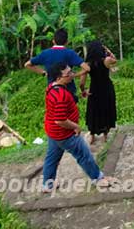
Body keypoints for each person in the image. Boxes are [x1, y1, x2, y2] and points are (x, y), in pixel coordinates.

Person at [42, 64, 115, 192]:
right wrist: (76, 126)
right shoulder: (60, 96)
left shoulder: (51, 88)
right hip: (63, 133)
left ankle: (47, 185)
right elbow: (60, 120)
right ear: (59, 77)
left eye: (71, 72)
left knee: (52, 158)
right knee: (83, 154)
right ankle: (98, 178)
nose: (72, 75)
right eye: (68, 73)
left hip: (52, 131)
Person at [25, 28, 88, 101]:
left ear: (53, 41)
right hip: (69, 91)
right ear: (67, 42)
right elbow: (86, 68)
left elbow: (27, 64)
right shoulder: (70, 53)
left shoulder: (45, 53)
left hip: (52, 92)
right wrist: (74, 75)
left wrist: (43, 72)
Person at [81, 40, 118, 145]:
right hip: (107, 88)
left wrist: (83, 91)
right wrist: (108, 51)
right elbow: (115, 60)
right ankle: (105, 136)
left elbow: (82, 82)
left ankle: (92, 135)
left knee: (93, 110)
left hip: (94, 89)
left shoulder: (87, 64)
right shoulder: (106, 60)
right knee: (106, 109)